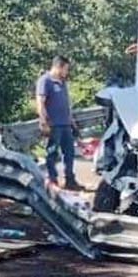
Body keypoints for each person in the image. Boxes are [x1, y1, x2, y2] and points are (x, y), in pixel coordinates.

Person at [36, 55, 81, 190]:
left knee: (69, 153)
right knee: (52, 153)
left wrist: (72, 122)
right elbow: (40, 102)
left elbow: (66, 104)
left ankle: (70, 180)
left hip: (65, 124)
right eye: (65, 69)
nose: (66, 72)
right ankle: (53, 180)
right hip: (53, 124)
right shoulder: (45, 81)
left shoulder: (62, 82)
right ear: (58, 67)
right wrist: (43, 121)